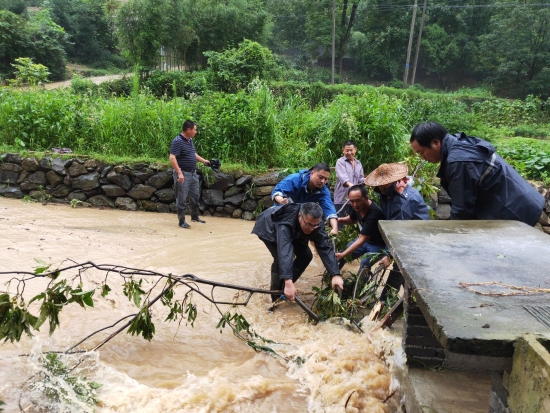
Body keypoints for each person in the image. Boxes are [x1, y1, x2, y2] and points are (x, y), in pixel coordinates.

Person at [410, 121, 544, 226]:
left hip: (517, 209)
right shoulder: (458, 144)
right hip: (521, 202)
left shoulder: (458, 161)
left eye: (421, 152)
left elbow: (462, 210)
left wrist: (451, 236)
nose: (423, 158)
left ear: (436, 143)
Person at [364, 163, 430, 303]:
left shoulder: (404, 201)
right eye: (380, 185)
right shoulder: (385, 194)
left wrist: (388, 255)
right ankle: (408, 302)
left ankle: (383, 306)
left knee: (398, 273)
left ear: (394, 181)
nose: (381, 188)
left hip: (415, 242)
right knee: (408, 281)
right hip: (403, 240)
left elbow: (399, 232)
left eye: (385, 185)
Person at [252, 202, 344, 302]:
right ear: (300, 216)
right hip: (268, 227)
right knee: (280, 260)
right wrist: (288, 281)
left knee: (306, 256)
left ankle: (285, 287)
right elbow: (285, 250)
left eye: (315, 225)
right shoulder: (285, 222)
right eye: (309, 224)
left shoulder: (316, 223)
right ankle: (276, 296)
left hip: (296, 230)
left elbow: (325, 247)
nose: (311, 228)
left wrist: (335, 274)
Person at [271, 162, 339, 236]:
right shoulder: (294, 179)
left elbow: (329, 209)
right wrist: (282, 200)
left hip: (304, 219)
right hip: (284, 216)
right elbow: (277, 192)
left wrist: (335, 227)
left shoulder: (323, 191)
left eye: (326, 179)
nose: (323, 181)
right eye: (320, 177)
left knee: (317, 229)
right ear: (312, 173)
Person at [336, 184, 387, 273]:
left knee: (364, 263)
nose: (355, 205)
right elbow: (352, 219)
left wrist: (343, 254)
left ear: (366, 198)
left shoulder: (374, 213)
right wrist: (338, 220)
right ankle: (333, 275)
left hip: (378, 245)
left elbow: (361, 240)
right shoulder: (357, 207)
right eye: (352, 201)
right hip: (366, 241)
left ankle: (361, 281)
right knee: (341, 254)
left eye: (358, 201)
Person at [169, 120, 211, 229]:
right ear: (188, 130)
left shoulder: (189, 140)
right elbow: (172, 157)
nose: (196, 132)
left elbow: (193, 153)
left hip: (193, 173)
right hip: (183, 173)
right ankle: (181, 221)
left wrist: (204, 161)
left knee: (195, 196)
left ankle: (195, 217)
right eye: (195, 130)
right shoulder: (178, 141)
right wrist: (179, 173)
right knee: (181, 198)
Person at [334, 140, 365, 217]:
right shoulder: (340, 162)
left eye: (351, 150)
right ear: (343, 150)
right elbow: (343, 178)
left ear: (355, 149)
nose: (349, 152)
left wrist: (368, 180)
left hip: (355, 200)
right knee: (341, 221)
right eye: (347, 150)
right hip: (342, 198)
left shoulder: (358, 163)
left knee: (353, 220)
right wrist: (351, 186)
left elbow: (360, 179)